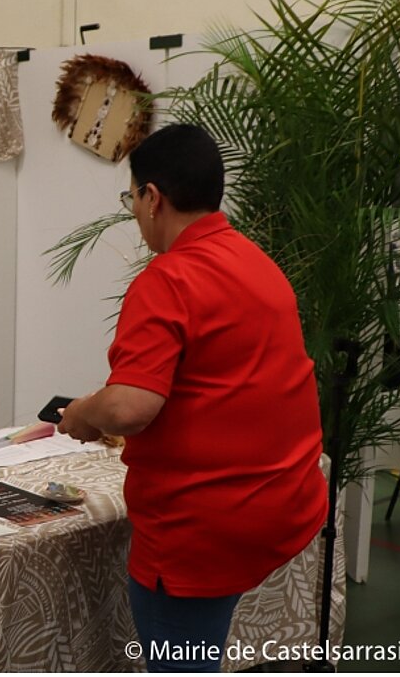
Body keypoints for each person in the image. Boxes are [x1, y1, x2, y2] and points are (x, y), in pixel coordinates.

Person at [57, 124, 327, 673]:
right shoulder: (259, 265)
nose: (134, 213)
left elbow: (131, 407)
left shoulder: (169, 278)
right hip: (281, 501)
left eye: (131, 197)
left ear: (152, 197)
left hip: (203, 530)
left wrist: (84, 412)